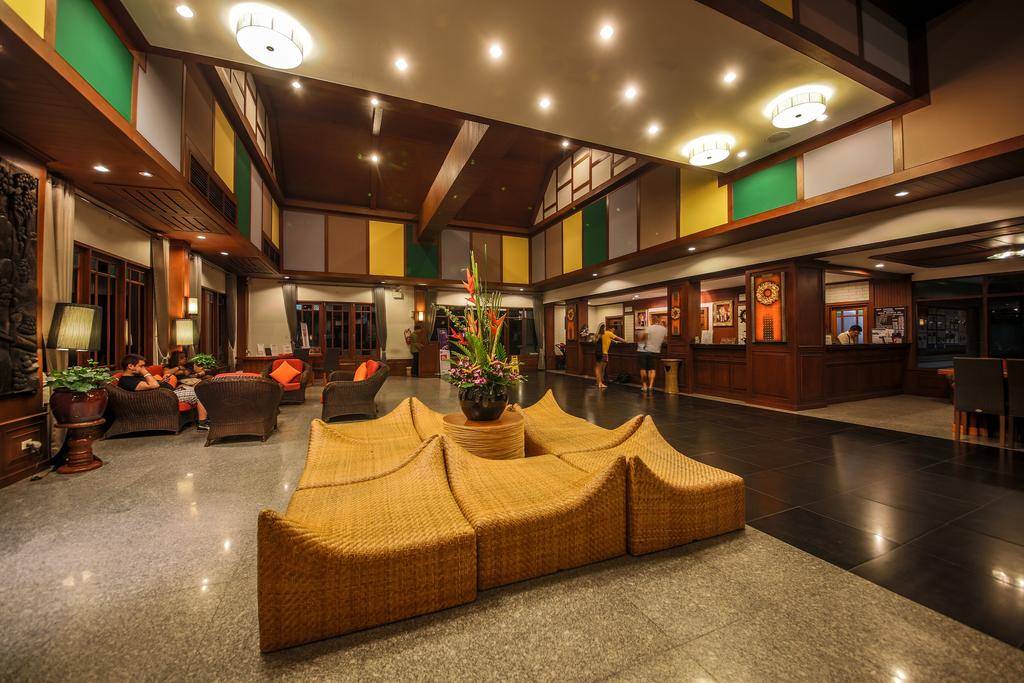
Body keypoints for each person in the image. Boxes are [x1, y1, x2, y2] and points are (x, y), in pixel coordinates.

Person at [118, 354, 209, 430]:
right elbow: (154, 385)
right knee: (200, 392)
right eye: (141, 366)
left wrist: (162, 381)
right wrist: (145, 372)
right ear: (130, 366)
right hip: (164, 397)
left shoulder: (135, 377)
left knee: (202, 389)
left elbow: (154, 384)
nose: (143, 368)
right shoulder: (127, 380)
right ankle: (202, 423)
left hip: (168, 393)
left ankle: (206, 418)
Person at [636, 320, 668, 393]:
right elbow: (665, 340)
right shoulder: (664, 329)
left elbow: (643, 338)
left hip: (643, 351)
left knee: (643, 369)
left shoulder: (649, 328)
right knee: (652, 369)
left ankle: (644, 386)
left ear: (652, 321)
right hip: (655, 351)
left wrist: (640, 339)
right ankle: (651, 386)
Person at [594, 323, 625, 389]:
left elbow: (608, 340)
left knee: (597, 368)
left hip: (597, 353)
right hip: (604, 353)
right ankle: (600, 383)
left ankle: (598, 382)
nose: (613, 331)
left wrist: (615, 342)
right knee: (602, 369)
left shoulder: (598, 335)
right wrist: (625, 341)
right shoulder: (608, 333)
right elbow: (619, 339)